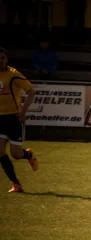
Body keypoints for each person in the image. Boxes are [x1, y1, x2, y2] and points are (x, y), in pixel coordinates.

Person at [0, 48, 39, 193]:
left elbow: (31, 91)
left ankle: (28, 155)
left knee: (16, 155)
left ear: (7, 59)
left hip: (14, 118)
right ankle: (16, 184)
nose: (0, 60)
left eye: (3, 58)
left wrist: (23, 112)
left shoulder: (13, 74)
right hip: (0, 119)